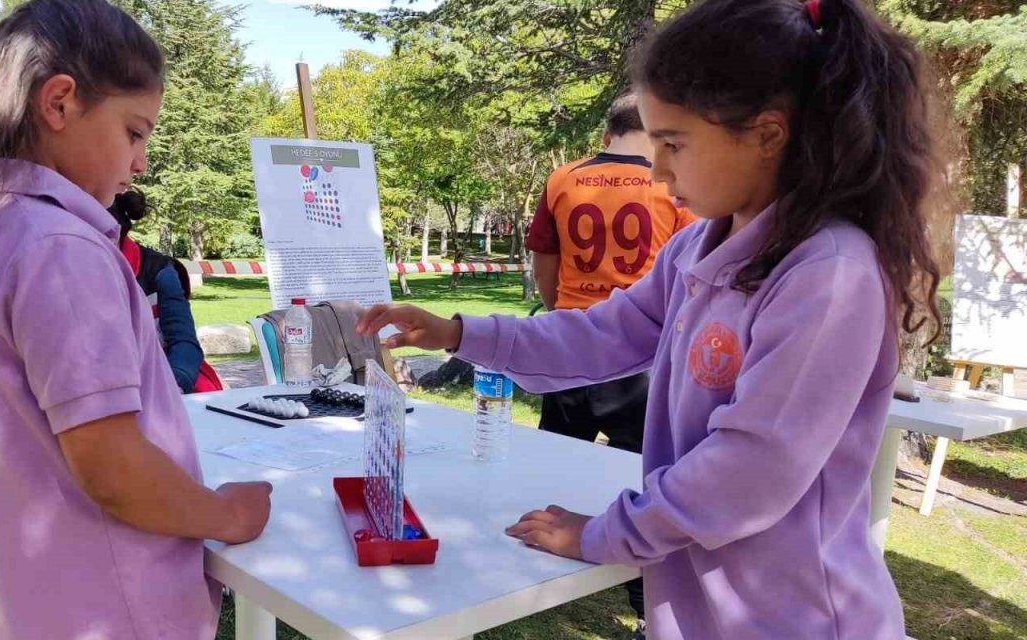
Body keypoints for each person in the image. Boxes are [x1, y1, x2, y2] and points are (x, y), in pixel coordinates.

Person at [357, 0, 944, 638]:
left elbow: (748, 473)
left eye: (674, 144)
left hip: (795, 618)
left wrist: (607, 533)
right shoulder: (696, 248)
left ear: (768, 135)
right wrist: (459, 333)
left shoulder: (829, 274)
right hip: (698, 612)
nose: (659, 172)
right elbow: (598, 335)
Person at [0, 1, 271, 637]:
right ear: (59, 103)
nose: (141, 162)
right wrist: (228, 515)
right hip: (112, 605)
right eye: (134, 132)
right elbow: (111, 466)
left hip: (33, 598)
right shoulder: (59, 248)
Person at [526, 92, 696, 637]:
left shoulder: (562, 179)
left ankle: (528, 578)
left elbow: (544, 265)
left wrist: (561, 318)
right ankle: (648, 599)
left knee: (554, 463)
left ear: (606, 135)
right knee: (647, 480)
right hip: (644, 354)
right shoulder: (676, 183)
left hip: (573, 345)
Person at [108, 189, 209, 394]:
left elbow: (184, 341)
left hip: (166, 382)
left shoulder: (159, 270)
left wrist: (173, 384)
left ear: (117, 234)